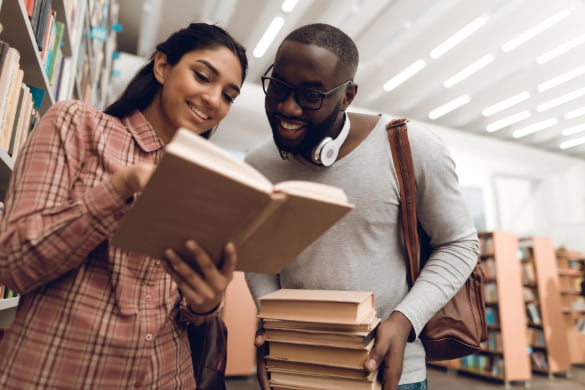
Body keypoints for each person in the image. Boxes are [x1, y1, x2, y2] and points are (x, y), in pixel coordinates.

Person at [0, 23, 247, 389]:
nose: (213, 100)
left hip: (168, 376)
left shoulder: (200, 178)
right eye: (202, 76)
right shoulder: (78, 125)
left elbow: (185, 308)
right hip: (61, 375)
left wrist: (207, 303)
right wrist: (119, 189)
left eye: (229, 95)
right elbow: (13, 264)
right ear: (162, 66)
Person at [244, 23, 479, 390]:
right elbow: (258, 256)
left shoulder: (410, 146)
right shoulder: (259, 163)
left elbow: (460, 243)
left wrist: (403, 321)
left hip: (387, 371)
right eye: (279, 88)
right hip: (296, 364)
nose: (288, 108)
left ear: (348, 95)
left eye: (311, 96)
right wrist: (270, 320)